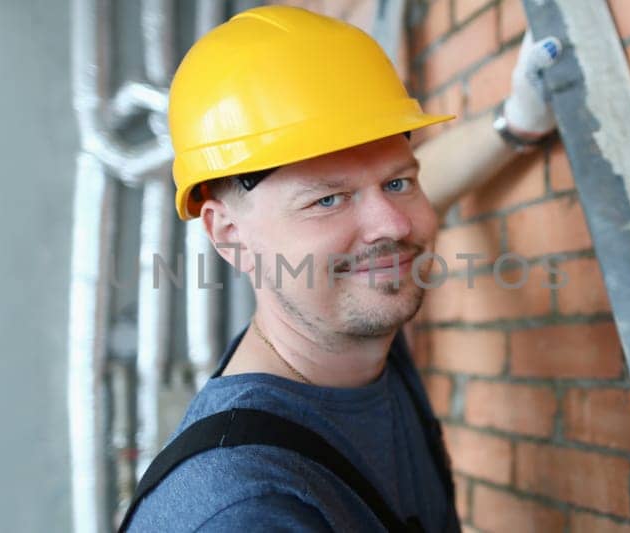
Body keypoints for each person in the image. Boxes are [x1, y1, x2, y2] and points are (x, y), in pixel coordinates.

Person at [121, 6, 561, 532]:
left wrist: (516, 123)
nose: (392, 225)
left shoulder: (345, 330)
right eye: (328, 199)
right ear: (228, 234)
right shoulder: (246, 511)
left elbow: (419, 194)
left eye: (398, 183)